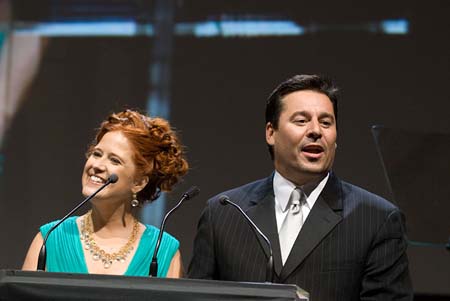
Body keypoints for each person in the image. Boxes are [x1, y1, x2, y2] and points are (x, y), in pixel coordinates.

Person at [188, 74, 413, 300]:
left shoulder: (376, 219)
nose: (316, 131)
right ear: (270, 132)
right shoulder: (223, 213)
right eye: (301, 121)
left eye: (326, 122)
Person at [22, 109, 189, 277]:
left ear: (138, 183)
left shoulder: (163, 251)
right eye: (97, 154)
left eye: (114, 160)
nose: (97, 165)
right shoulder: (50, 239)